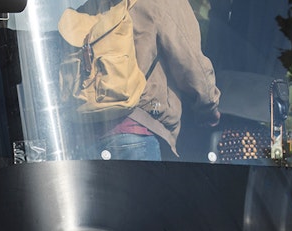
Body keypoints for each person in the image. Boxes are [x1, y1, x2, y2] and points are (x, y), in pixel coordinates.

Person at [80, 0, 221, 161]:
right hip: (138, 130)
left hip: (87, 138)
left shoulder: (91, 6)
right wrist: (209, 106)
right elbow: (192, 65)